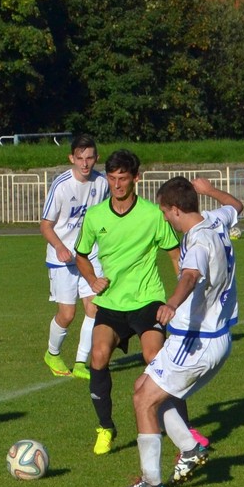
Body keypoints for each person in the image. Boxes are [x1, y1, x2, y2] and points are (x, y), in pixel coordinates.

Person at [116, 176, 243, 487]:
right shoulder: (214, 220)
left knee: (143, 401)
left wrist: (171, 303)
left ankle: (151, 482)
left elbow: (190, 275)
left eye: (163, 211)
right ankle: (189, 448)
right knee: (143, 387)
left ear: (174, 210)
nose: (163, 217)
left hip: (196, 341)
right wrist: (209, 191)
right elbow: (236, 206)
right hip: (213, 336)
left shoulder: (199, 241)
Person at [74, 149, 185, 456]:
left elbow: (175, 256)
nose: (116, 185)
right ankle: (106, 428)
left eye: (123, 178)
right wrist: (93, 279)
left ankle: (181, 428)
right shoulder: (96, 216)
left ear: (136, 178)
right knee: (97, 356)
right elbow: (81, 255)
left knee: (155, 358)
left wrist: (181, 298)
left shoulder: (152, 215)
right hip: (111, 303)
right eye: (111, 178)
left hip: (147, 299)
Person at [40, 136, 108, 380]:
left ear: (96, 158)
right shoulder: (61, 185)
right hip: (63, 260)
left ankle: (81, 363)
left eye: (89, 157)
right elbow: (46, 225)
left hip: (89, 256)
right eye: (80, 158)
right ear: (71, 158)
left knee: (94, 307)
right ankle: (52, 353)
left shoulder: (102, 183)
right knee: (67, 314)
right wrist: (59, 247)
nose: (85, 163)